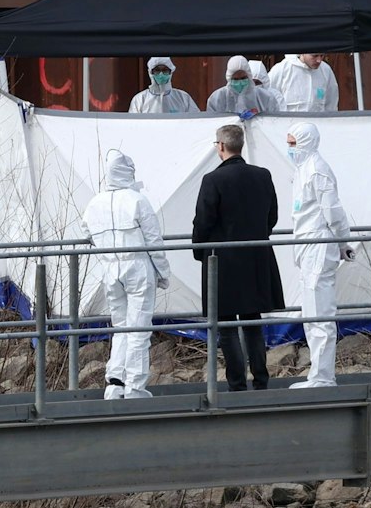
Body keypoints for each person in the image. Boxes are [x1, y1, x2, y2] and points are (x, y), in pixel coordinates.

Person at [192, 123, 285, 391]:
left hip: (222, 261)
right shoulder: (262, 175)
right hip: (256, 257)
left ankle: (236, 383)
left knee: (227, 325)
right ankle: (261, 379)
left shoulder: (213, 180)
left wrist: (200, 251)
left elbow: (203, 221)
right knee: (252, 321)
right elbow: (272, 215)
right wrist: (257, 235)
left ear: (220, 146)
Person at [82, 150, 170, 399]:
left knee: (120, 326)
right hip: (138, 266)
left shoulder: (94, 202)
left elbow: (86, 230)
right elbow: (154, 241)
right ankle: (135, 386)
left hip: (110, 267)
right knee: (139, 328)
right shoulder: (137, 200)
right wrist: (163, 272)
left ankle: (114, 382)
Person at [285, 122, 352, 388]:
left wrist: (343, 242)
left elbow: (333, 212)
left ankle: (323, 377)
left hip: (318, 246)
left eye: (293, 143)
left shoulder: (317, 171)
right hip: (308, 246)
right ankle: (318, 374)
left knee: (320, 314)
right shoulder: (303, 170)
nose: (290, 149)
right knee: (312, 315)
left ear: (306, 142)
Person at [205, 55, 281, 116]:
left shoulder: (265, 97)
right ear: (228, 78)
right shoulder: (217, 98)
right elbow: (212, 123)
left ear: (249, 76)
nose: (240, 82)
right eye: (235, 79)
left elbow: (273, 121)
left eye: (243, 78)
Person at [270, 53, 340, 113]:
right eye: (314, 56)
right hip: (289, 124)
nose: (319, 60)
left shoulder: (326, 70)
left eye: (321, 56)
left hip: (318, 124)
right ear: (303, 53)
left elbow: (331, 103)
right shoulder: (282, 69)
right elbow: (268, 96)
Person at [128, 56, 199, 114]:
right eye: (157, 70)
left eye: (165, 70)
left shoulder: (183, 98)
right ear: (150, 73)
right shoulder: (140, 99)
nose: (161, 74)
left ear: (171, 72)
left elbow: (196, 122)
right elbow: (133, 126)